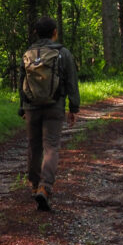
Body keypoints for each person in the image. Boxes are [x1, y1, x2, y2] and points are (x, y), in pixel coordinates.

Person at [18, 16, 79, 211]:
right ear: (55, 32)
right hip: (55, 105)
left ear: (36, 32)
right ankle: (45, 188)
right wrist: (74, 107)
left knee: (34, 147)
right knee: (51, 146)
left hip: (31, 107)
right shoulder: (63, 53)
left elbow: (22, 83)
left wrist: (22, 108)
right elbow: (71, 82)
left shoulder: (28, 53)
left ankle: (35, 185)